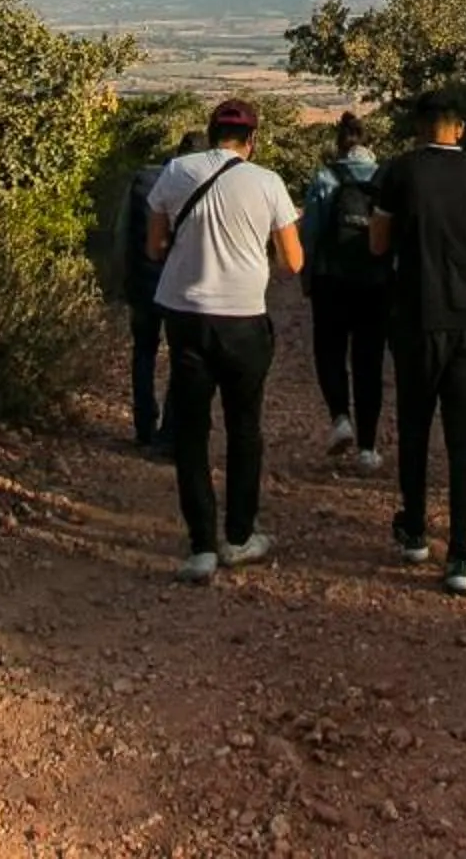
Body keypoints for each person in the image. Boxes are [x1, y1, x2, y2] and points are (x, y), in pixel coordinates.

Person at [147, 99, 302, 583]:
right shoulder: (267, 182)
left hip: (188, 315)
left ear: (211, 132)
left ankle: (201, 547)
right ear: (251, 141)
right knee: (244, 427)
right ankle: (238, 536)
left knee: (192, 431)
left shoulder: (176, 171)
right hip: (243, 318)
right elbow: (293, 262)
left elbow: (153, 246)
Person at [369, 89, 466, 596]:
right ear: (461, 128)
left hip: (415, 319)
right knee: (464, 439)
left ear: (419, 128)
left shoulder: (397, 174)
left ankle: (413, 530)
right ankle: (460, 553)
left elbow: (377, 243)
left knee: (413, 427)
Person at [298, 111, 390, 469]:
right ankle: (368, 448)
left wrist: (308, 278)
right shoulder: (384, 179)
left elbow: (312, 235)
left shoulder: (325, 177)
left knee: (330, 351)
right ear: (368, 142)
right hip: (375, 284)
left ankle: (340, 418)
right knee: (369, 360)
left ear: (339, 142)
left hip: (331, 281)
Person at [120, 127, 200, 452]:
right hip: (180, 287)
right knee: (183, 358)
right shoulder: (200, 187)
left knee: (143, 353)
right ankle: (169, 431)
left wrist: (120, 278)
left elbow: (122, 232)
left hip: (142, 282)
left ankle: (143, 425)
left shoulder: (143, 179)